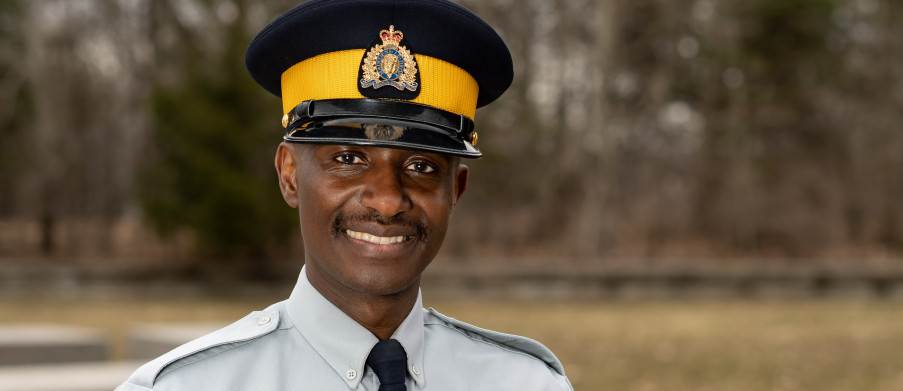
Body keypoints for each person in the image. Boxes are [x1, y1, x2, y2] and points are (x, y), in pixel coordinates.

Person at [116, 0, 572, 389]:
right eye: (349, 159)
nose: (387, 201)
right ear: (290, 175)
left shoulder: (525, 382)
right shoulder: (190, 386)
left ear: (456, 189)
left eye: (421, 166)